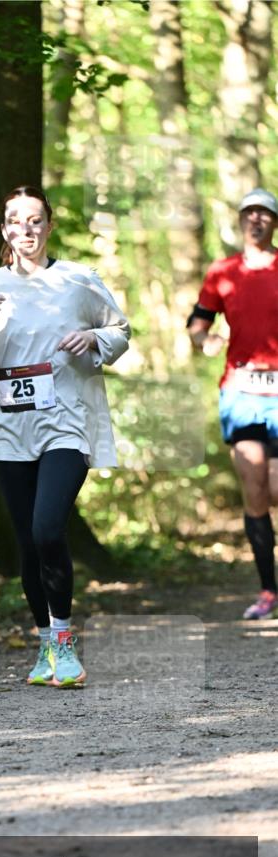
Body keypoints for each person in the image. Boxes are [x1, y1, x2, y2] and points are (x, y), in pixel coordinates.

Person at [0, 185, 130, 687]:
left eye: (35, 221)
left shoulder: (78, 280)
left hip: (67, 422)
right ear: (5, 229)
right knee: (28, 543)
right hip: (10, 430)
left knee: (49, 528)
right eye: (16, 221)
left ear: (49, 226)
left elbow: (120, 330)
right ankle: (44, 646)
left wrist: (95, 337)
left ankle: (65, 640)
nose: (26, 230)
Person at [188, 188, 278, 620]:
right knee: (255, 487)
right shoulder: (223, 271)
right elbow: (197, 322)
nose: (257, 220)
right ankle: (267, 591)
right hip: (241, 392)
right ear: (241, 221)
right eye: (250, 213)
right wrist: (205, 340)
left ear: (274, 223)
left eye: (265, 214)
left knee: (277, 487)